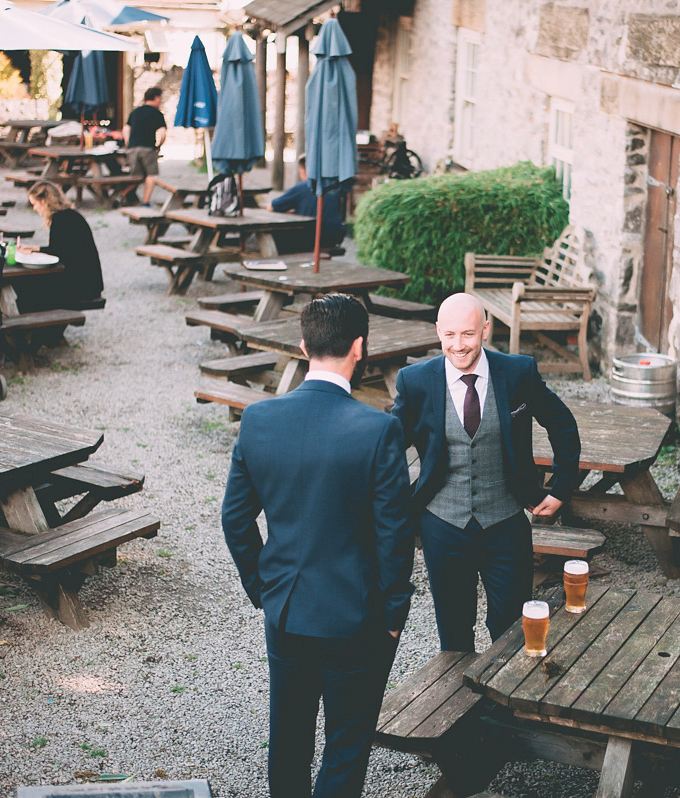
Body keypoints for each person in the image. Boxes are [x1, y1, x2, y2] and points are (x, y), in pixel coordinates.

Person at [222, 294, 414, 798]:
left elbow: (235, 518)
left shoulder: (259, 420)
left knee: (287, 740)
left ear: (304, 346)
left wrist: (262, 588)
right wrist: (395, 611)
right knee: (346, 748)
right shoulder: (379, 430)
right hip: (359, 616)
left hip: (285, 610)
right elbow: (395, 533)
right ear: (360, 348)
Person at [391, 292, 581, 651]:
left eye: (468, 334)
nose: (458, 345)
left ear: (485, 330)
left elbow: (563, 425)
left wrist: (560, 488)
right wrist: (396, 503)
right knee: (454, 630)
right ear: (438, 332)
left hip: (505, 521)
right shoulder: (414, 382)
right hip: (442, 525)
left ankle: (505, 705)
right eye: (449, 335)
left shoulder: (517, 372)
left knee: (511, 629)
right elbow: (388, 450)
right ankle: (462, 704)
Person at [15, 181, 103, 310]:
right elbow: (61, 248)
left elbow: (58, 254)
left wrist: (35, 253)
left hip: (82, 286)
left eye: (35, 204)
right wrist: (35, 249)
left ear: (44, 201)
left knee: (26, 290)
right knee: (29, 287)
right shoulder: (69, 215)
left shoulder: (60, 220)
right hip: (89, 282)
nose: (34, 208)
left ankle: (36, 328)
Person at [271, 154, 348, 251]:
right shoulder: (334, 187)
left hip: (310, 239)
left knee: (275, 236)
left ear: (303, 170)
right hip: (334, 237)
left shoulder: (302, 188)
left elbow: (274, 206)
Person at [123, 87, 167, 207]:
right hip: (148, 148)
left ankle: (123, 194)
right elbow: (162, 133)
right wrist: (159, 145)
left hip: (132, 148)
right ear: (156, 98)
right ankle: (145, 201)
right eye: (160, 99)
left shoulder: (135, 112)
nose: (161, 101)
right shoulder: (157, 113)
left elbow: (126, 128)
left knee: (136, 176)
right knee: (150, 175)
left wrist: (128, 142)